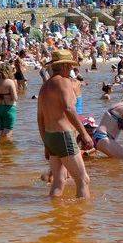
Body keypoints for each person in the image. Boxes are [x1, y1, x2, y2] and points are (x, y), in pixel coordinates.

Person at [36, 49, 91, 199]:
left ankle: (55, 212)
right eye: (71, 65)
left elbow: (40, 118)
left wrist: (46, 143)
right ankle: (83, 214)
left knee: (58, 182)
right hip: (64, 136)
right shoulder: (64, 81)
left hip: (50, 136)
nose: (72, 68)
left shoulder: (45, 86)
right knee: (83, 180)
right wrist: (84, 134)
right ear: (65, 65)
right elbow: (68, 108)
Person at [0, 62, 17, 143]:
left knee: (2, 132)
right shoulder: (10, 82)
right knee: (8, 132)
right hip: (9, 109)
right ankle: (6, 149)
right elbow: (15, 98)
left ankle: (1, 148)